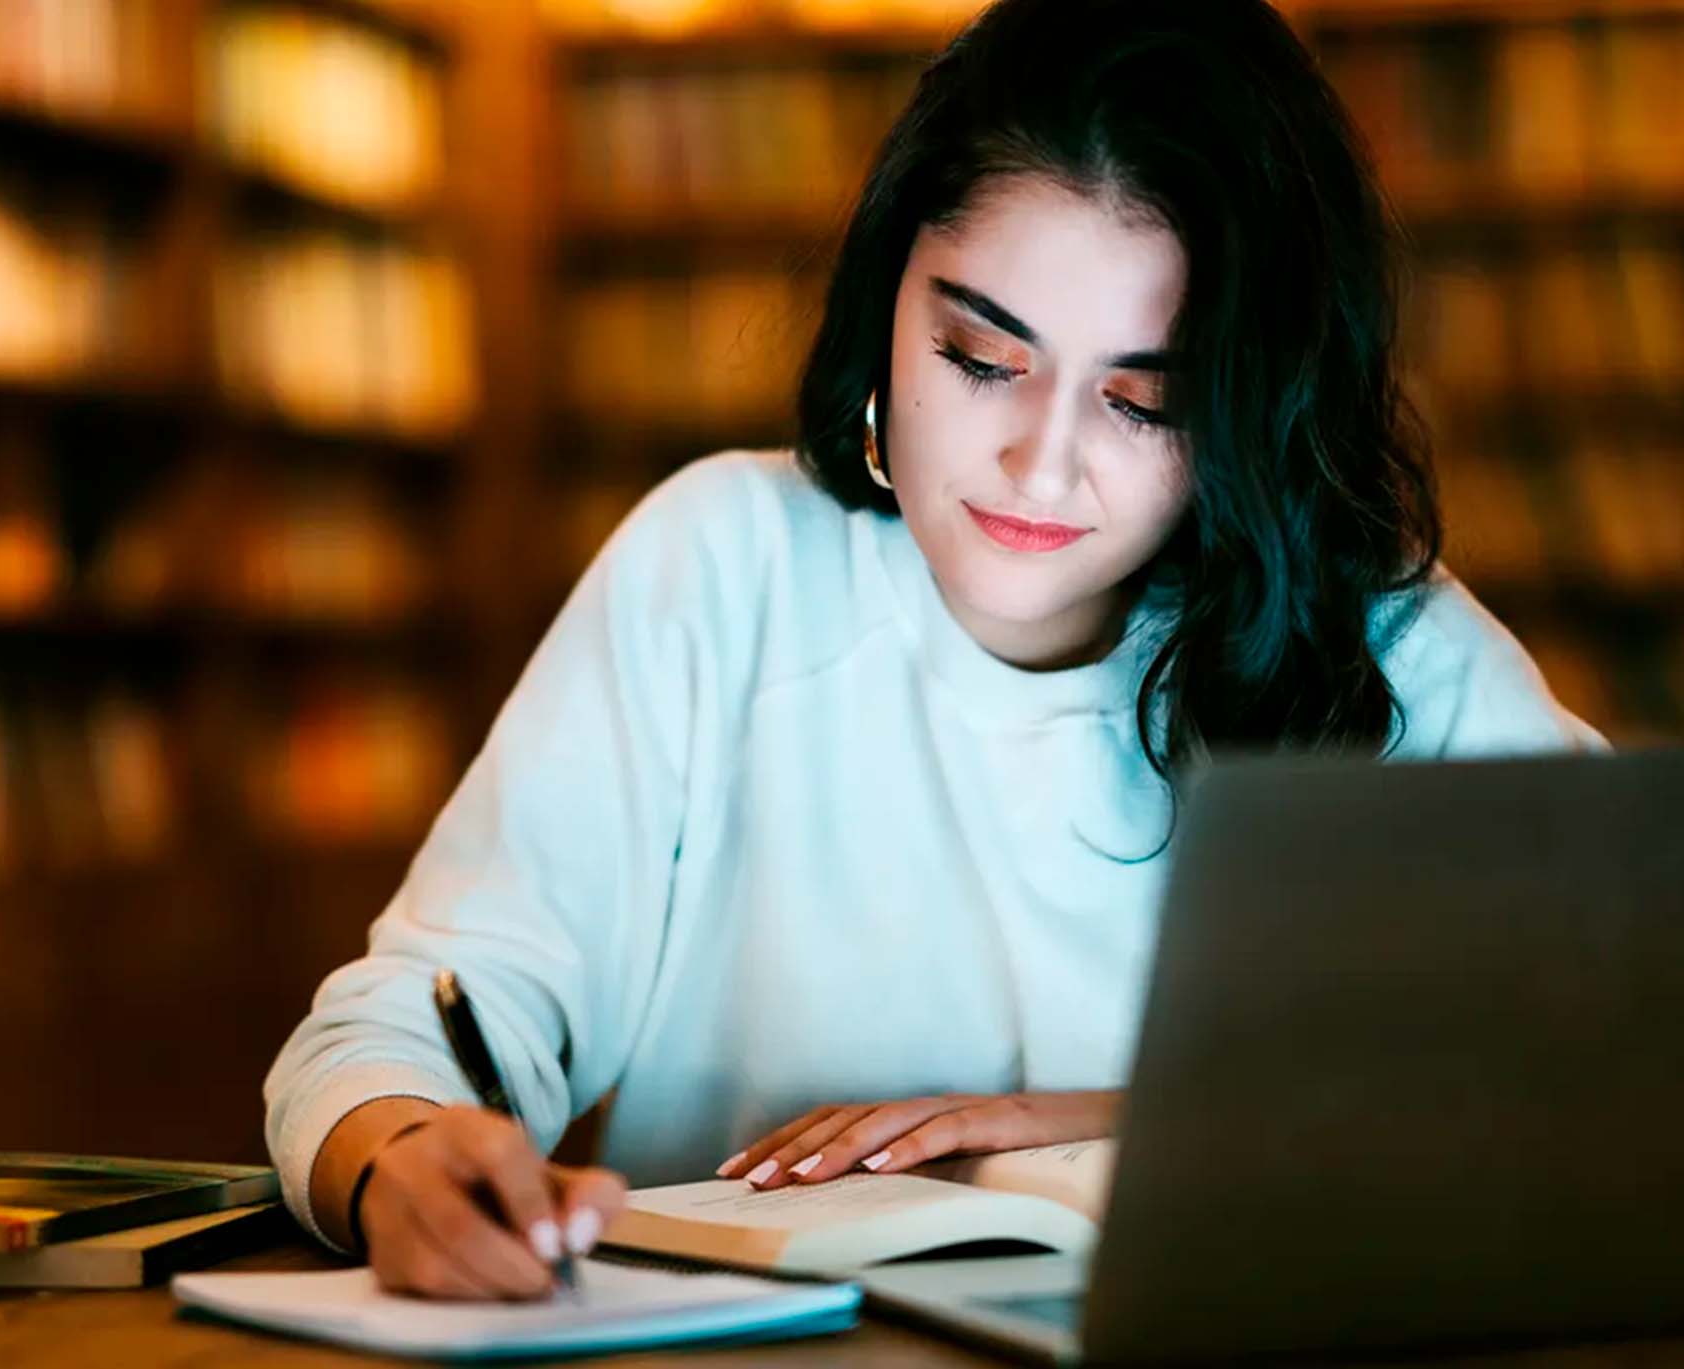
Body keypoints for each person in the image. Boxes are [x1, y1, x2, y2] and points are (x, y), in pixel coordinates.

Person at [264, 0, 1605, 1300]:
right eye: (978, 356)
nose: (1041, 459)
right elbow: (399, 1027)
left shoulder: (1381, 649)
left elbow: (1622, 1051)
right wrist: (400, 1159)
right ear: (886, 296)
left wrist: (1098, 1122)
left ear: (1251, 408)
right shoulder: (726, 568)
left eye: (1144, 400)